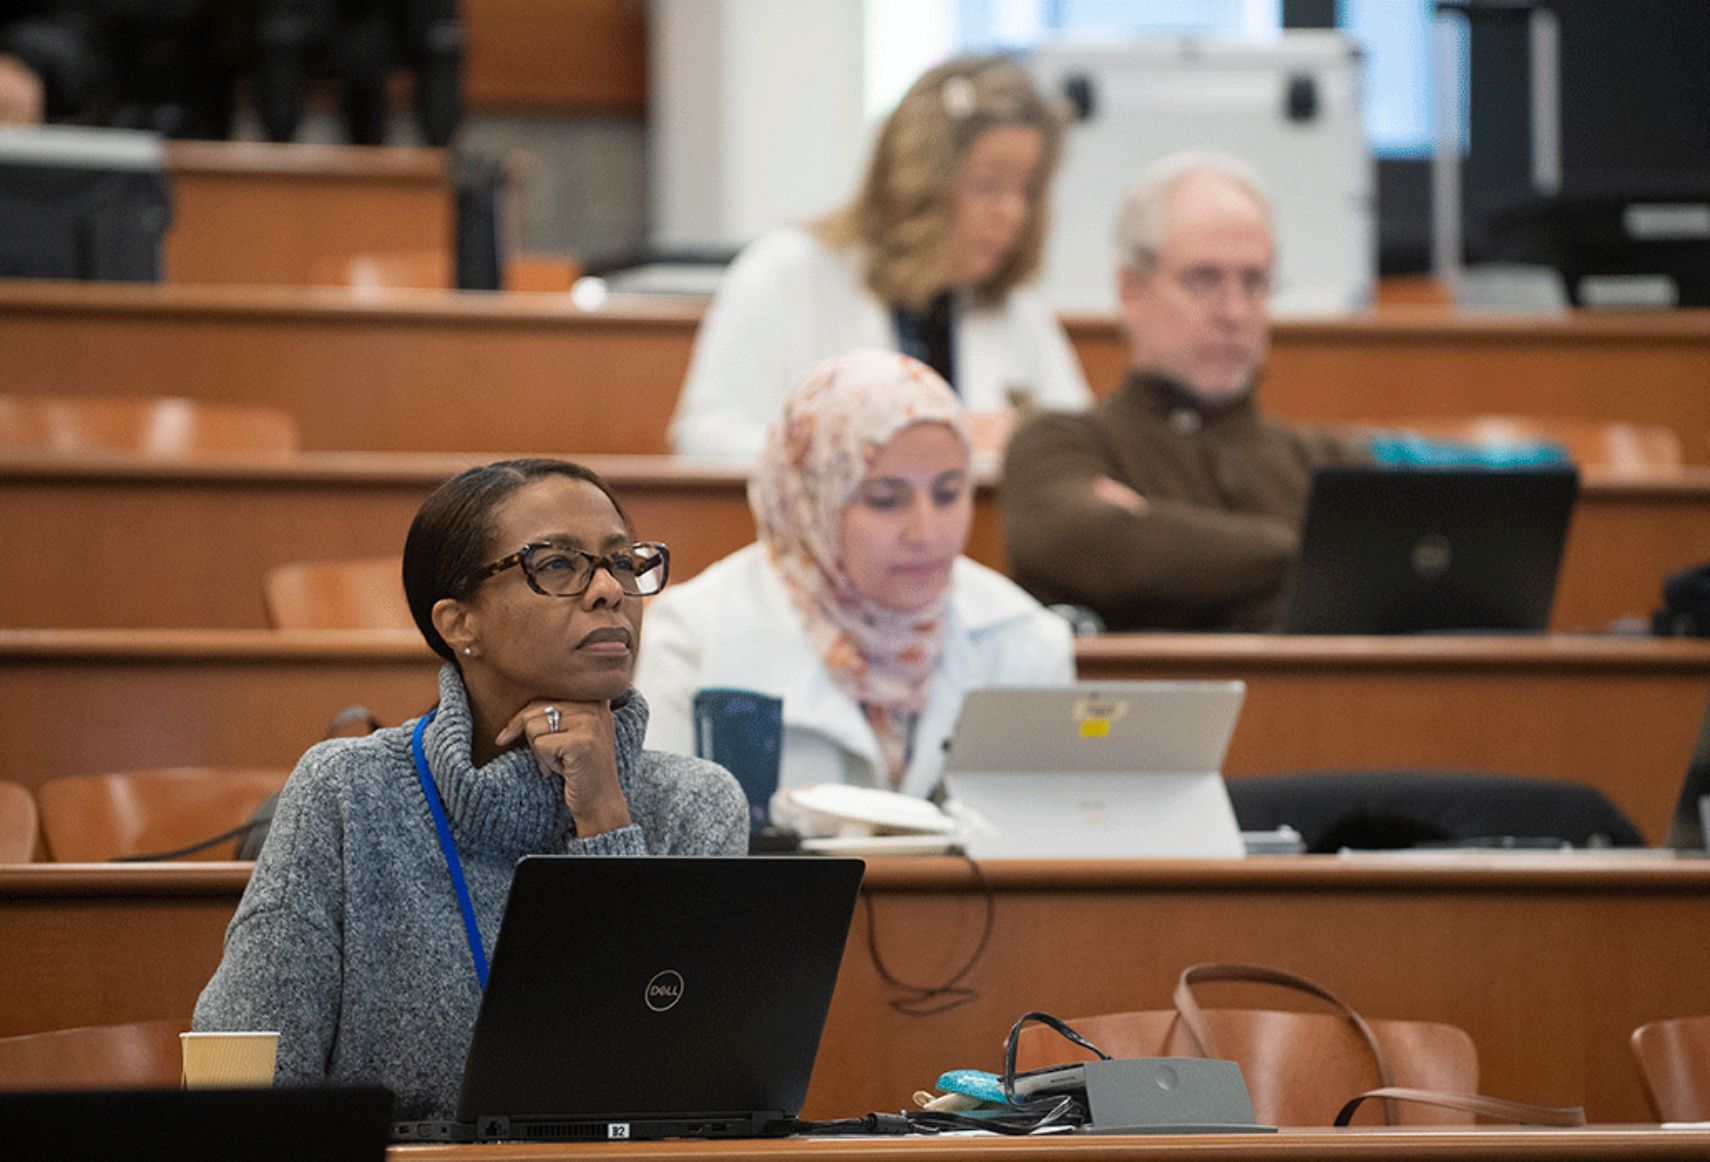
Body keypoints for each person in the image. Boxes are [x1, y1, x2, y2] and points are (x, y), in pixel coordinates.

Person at [194, 459, 748, 1119]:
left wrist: (605, 821)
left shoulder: (696, 803)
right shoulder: (346, 792)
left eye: (623, 561)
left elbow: (674, 1093)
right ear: (460, 625)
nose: (610, 591)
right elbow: (245, 1081)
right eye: (558, 565)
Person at [637, 349, 1075, 799]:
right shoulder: (692, 635)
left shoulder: (1026, 639)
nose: (926, 533)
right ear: (811, 500)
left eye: (948, 494)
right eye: (886, 499)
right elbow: (663, 846)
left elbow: (1049, 840)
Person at [1001, 151, 1369, 632]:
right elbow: (1096, 548)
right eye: (1204, 280)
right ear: (1131, 290)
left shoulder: (1326, 462)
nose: (1234, 312)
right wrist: (1321, 553)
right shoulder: (1060, 445)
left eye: (1254, 282)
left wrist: (1156, 526)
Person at [667, 54, 1092, 461]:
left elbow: (1077, 447)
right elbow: (704, 438)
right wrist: (857, 447)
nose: (1013, 212)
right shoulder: (788, 272)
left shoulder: (1018, 309)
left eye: (1028, 190)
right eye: (988, 186)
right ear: (919, 183)